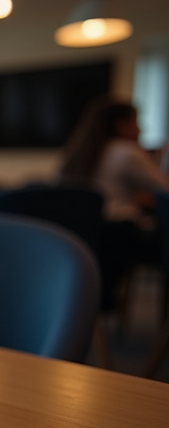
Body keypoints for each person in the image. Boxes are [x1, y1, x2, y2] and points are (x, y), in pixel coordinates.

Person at [58, 97, 169, 309]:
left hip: (80, 234)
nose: (141, 129)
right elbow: (164, 188)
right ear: (121, 125)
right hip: (118, 235)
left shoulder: (74, 153)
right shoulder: (126, 151)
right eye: (136, 122)